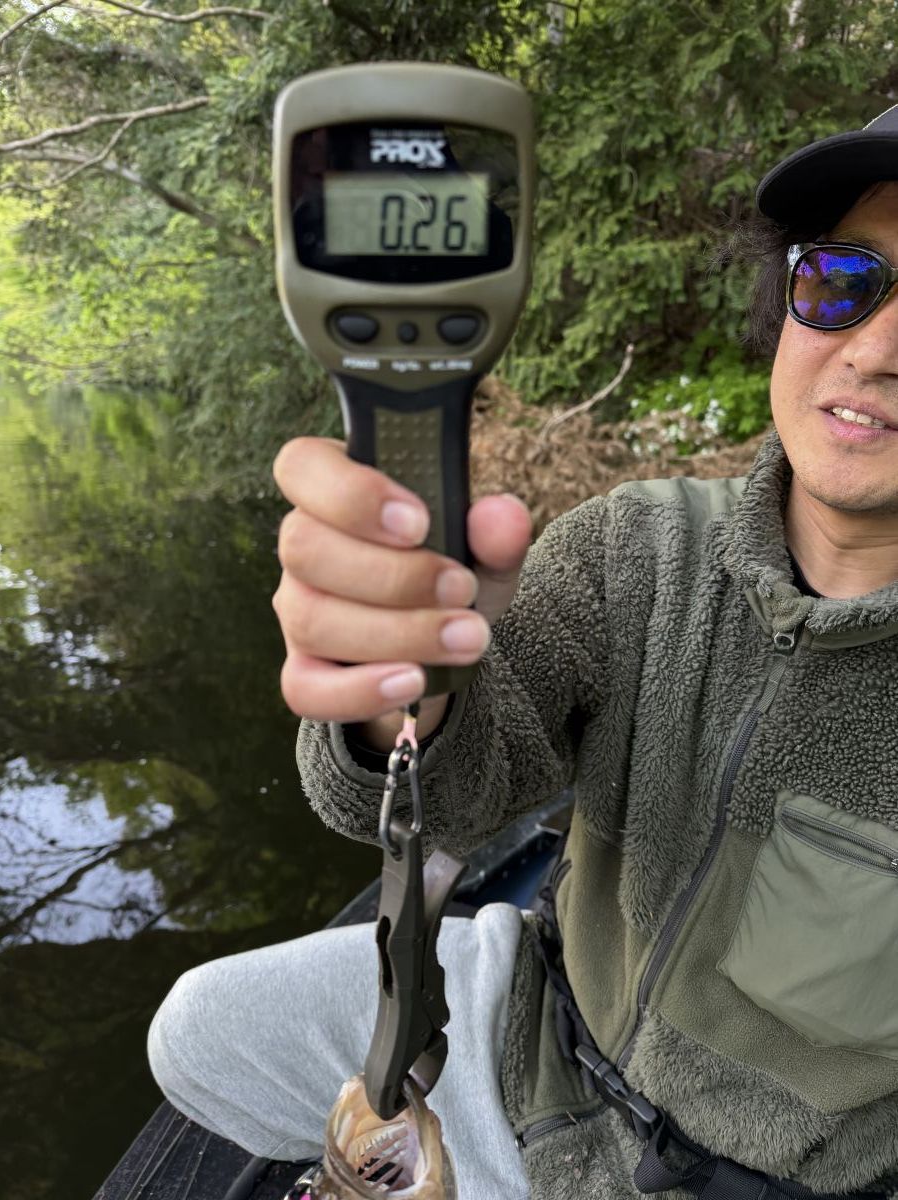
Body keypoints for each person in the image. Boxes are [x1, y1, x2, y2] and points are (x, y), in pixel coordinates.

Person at [148, 107, 898, 1199]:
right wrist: (398, 695)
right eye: (843, 281)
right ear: (789, 302)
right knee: (195, 1031)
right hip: (533, 1038)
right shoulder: (634, 543)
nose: (875, 349)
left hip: (755, 1181)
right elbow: (441, 797)